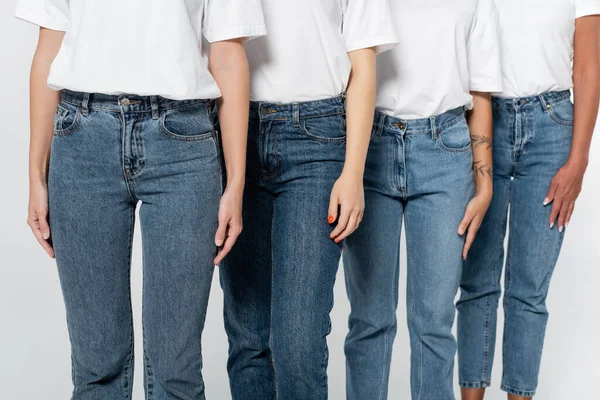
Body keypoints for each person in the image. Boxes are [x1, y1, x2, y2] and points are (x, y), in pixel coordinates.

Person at [17, 0, 265, 398]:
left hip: (182, 141)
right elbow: (49, 45)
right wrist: (35, 175)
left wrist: (236, 182)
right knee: (96, 367)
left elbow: (228, 52)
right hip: (82, 141)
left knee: (176, 369)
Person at [219, 1, 398, 399]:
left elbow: (363, 64)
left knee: (298, 341)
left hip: (318, 139)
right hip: (235, 131)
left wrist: (353, 172)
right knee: (247, 335)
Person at [342, 0, 502, 399]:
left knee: (433, 321)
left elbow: (480, 94)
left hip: (445, 151)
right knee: (369, 319)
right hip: (371, 148)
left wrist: (485, 186)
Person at [457, 1, 600, 399]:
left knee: (529, 288)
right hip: (483, 118)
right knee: (476, 280)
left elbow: (588, 68)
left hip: (551, 128)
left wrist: (579, 161)